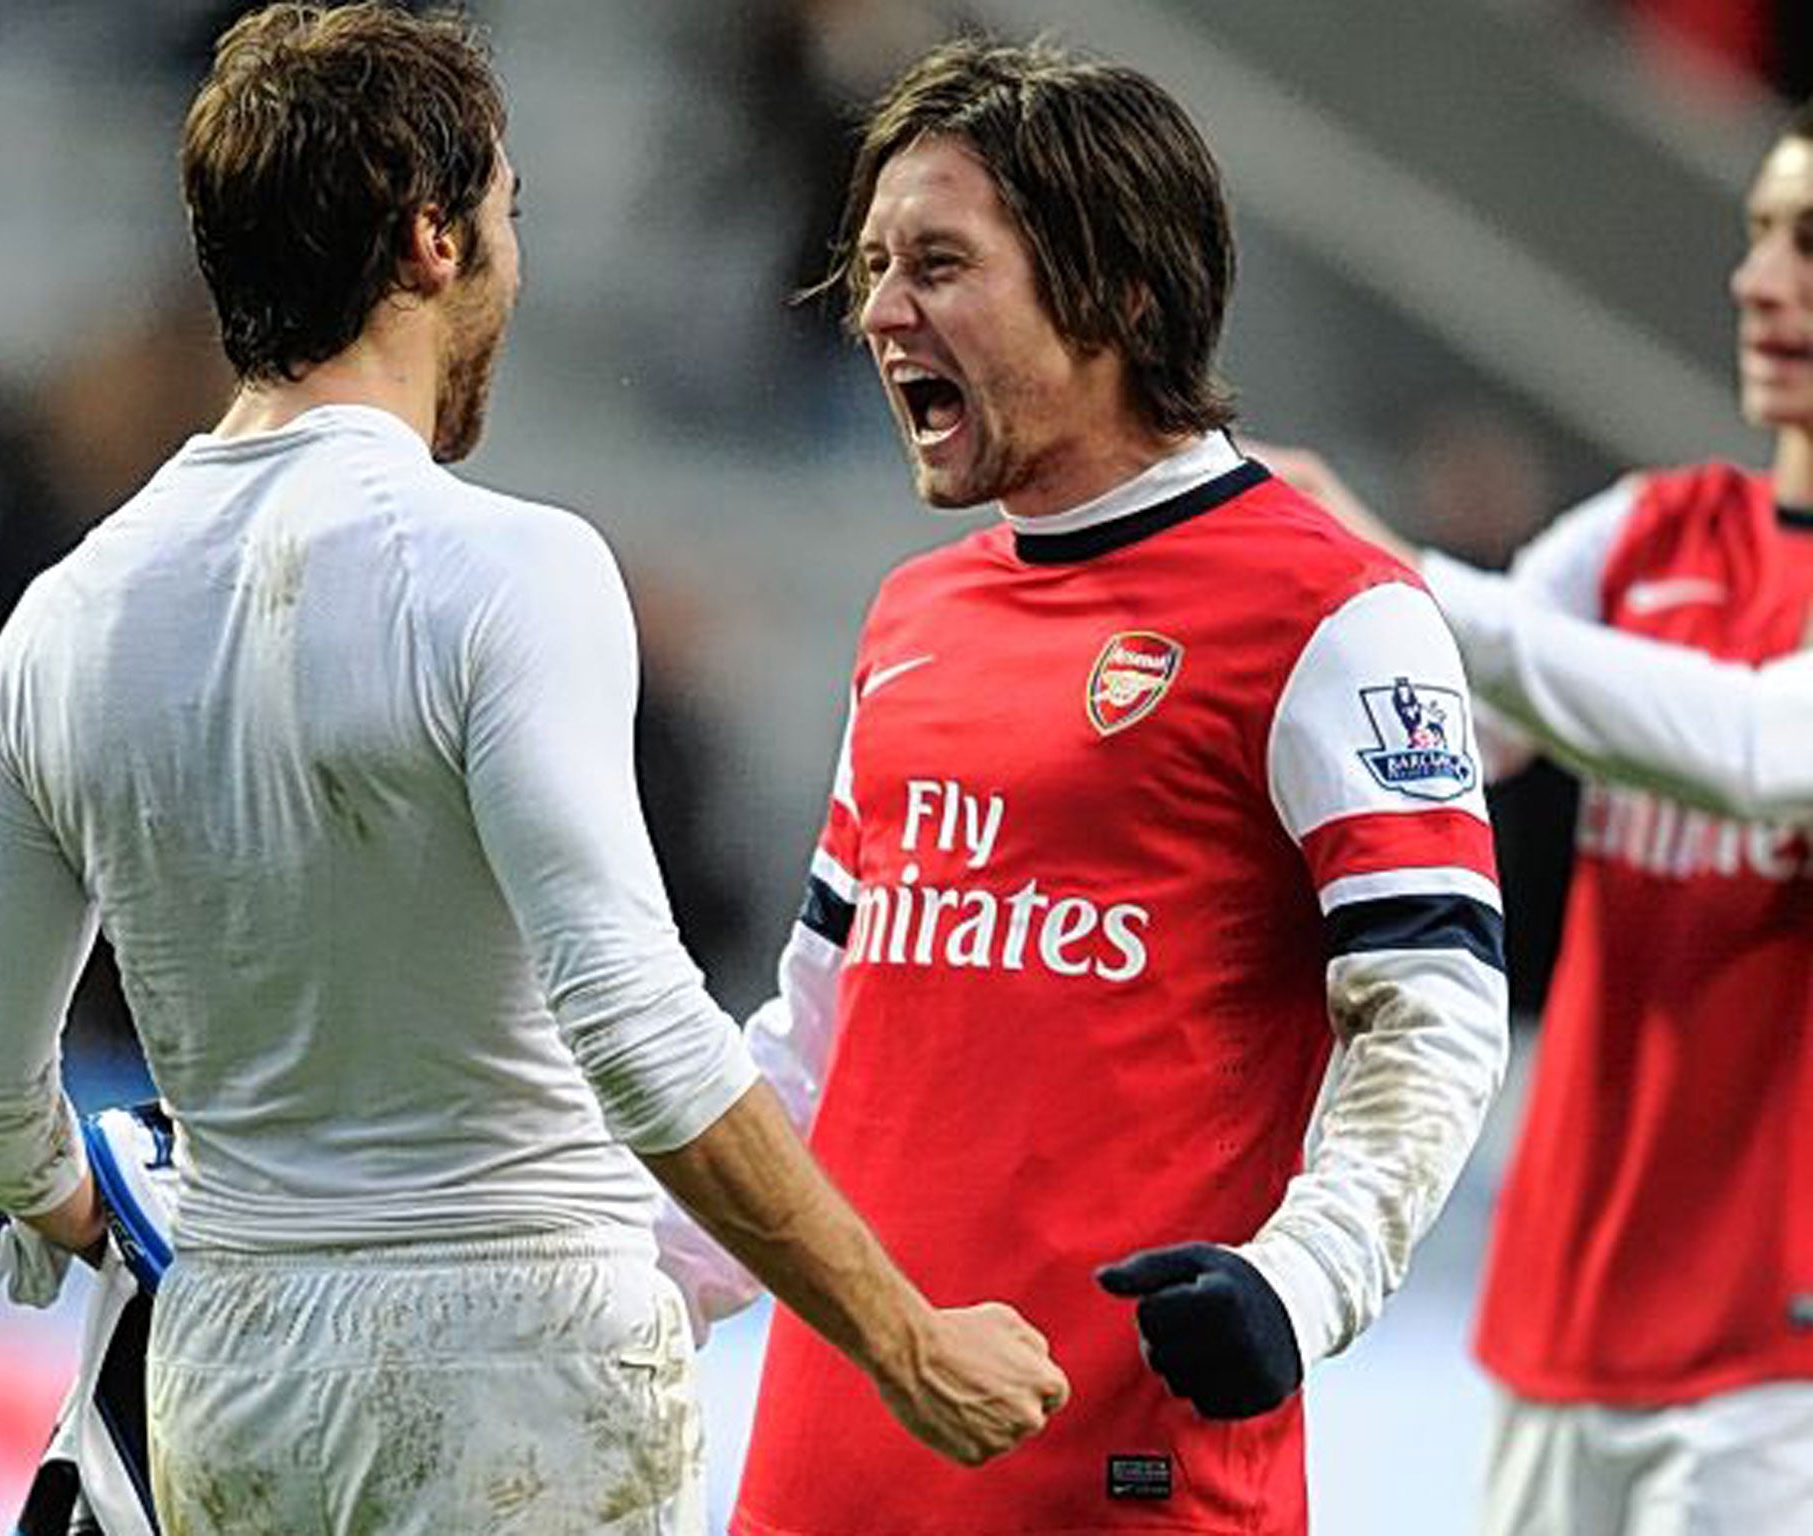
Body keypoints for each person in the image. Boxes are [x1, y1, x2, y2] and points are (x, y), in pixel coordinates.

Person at [0, 7, 1070, 1533]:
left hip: (232, 1364)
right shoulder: (504, 571)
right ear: (430, 240)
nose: (515, 266)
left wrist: (108, 1212)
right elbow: (639, 1031)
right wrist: (906, 1339)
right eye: (506, 214)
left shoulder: (65, 622)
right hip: (517, 1357)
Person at [652, 36, 1511, 1536]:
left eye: (937, 262)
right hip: (825, 1468)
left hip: (1116, 1480)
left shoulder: (1329, 615)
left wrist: (1299, 1284)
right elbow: (821, 1042)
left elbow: (1434, 1019)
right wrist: (617, 1276)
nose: (877, 311)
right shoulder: (917, 616)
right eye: (871, 266)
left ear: (1113, 289)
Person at [1253, 100, 1813, 1536]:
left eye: (1808, 246)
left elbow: (1754, 749)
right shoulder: (1647, 535)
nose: (1758, 282)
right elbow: (1449, 716)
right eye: (1758, 236)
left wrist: (1403, 569)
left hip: (1780, 1346)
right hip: (1569, 1306)